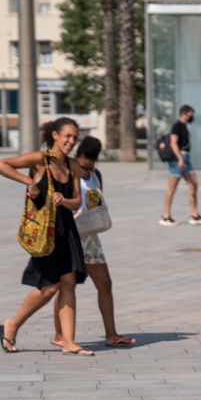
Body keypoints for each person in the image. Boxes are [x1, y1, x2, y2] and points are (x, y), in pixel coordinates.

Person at [0, 118, 93, 356]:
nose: (71, 141)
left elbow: (78, 201)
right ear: (55, 135)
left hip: (66, 229)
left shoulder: (73, 165)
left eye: (74, 137)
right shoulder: (40, 160)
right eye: (67, 136)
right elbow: (0, 164)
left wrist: (64, 200)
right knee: (49, 288)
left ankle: (69, 342)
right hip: (45, 231)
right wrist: (28, 181)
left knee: (68, 283)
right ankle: (12, 324)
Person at [51, 136, 136, 349]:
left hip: (90, 236)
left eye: (90, 165)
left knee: (105, 283)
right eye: (83, 164)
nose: (86, 169)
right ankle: (60, 334)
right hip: (69, 234)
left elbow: (97, 201)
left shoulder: (96, 175)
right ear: (77, 157)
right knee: (65, 286)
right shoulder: (68, 171)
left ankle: (111, 334)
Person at [160, 104, 201, 227]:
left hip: (186, 159)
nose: (192, 116)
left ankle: (194, 215)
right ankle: (166, 216)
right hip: (178, 160)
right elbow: (173, 143)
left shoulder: (185, 126)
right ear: (184, 113)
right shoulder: (176, 126)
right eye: (190, 113)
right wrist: (180, 159)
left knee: (193, 185)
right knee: (171, 188)